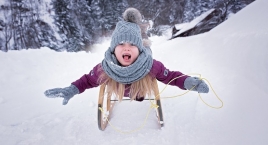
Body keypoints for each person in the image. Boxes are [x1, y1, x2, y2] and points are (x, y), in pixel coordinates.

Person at [44, 8, 209, 105]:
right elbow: (87, 80)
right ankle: (137, 30)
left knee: (139, 95)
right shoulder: (105, 68)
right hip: (120, 85)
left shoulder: (150, 66)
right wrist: (71, 89)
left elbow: (171, 77)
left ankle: (140, 33)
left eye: (132, 45)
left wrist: (188, 82)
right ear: (113, 49)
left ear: (139, 48)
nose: (126, 48)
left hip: (140, 87)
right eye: (121, 44)